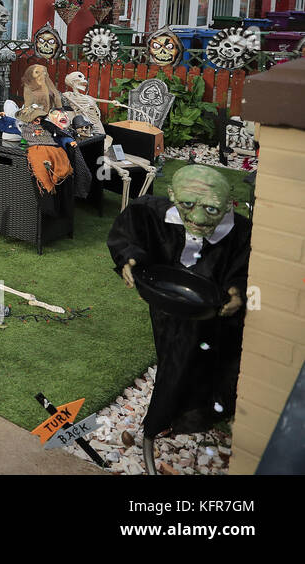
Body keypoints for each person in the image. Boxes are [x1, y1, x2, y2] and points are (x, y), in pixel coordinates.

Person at [107, 164, 251, 474]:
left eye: (212, 209)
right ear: (172, 196)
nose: (198, 218)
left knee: (204, 362)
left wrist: (237, 292)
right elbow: (129, 234)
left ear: (229, 205)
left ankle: (171, 416)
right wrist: (129, 259)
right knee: (172, 355)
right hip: (168, 303)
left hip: (216, 314)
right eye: (187, 205)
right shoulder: (151, 212)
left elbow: (245, 267)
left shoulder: (241, 232)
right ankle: (173, 414)